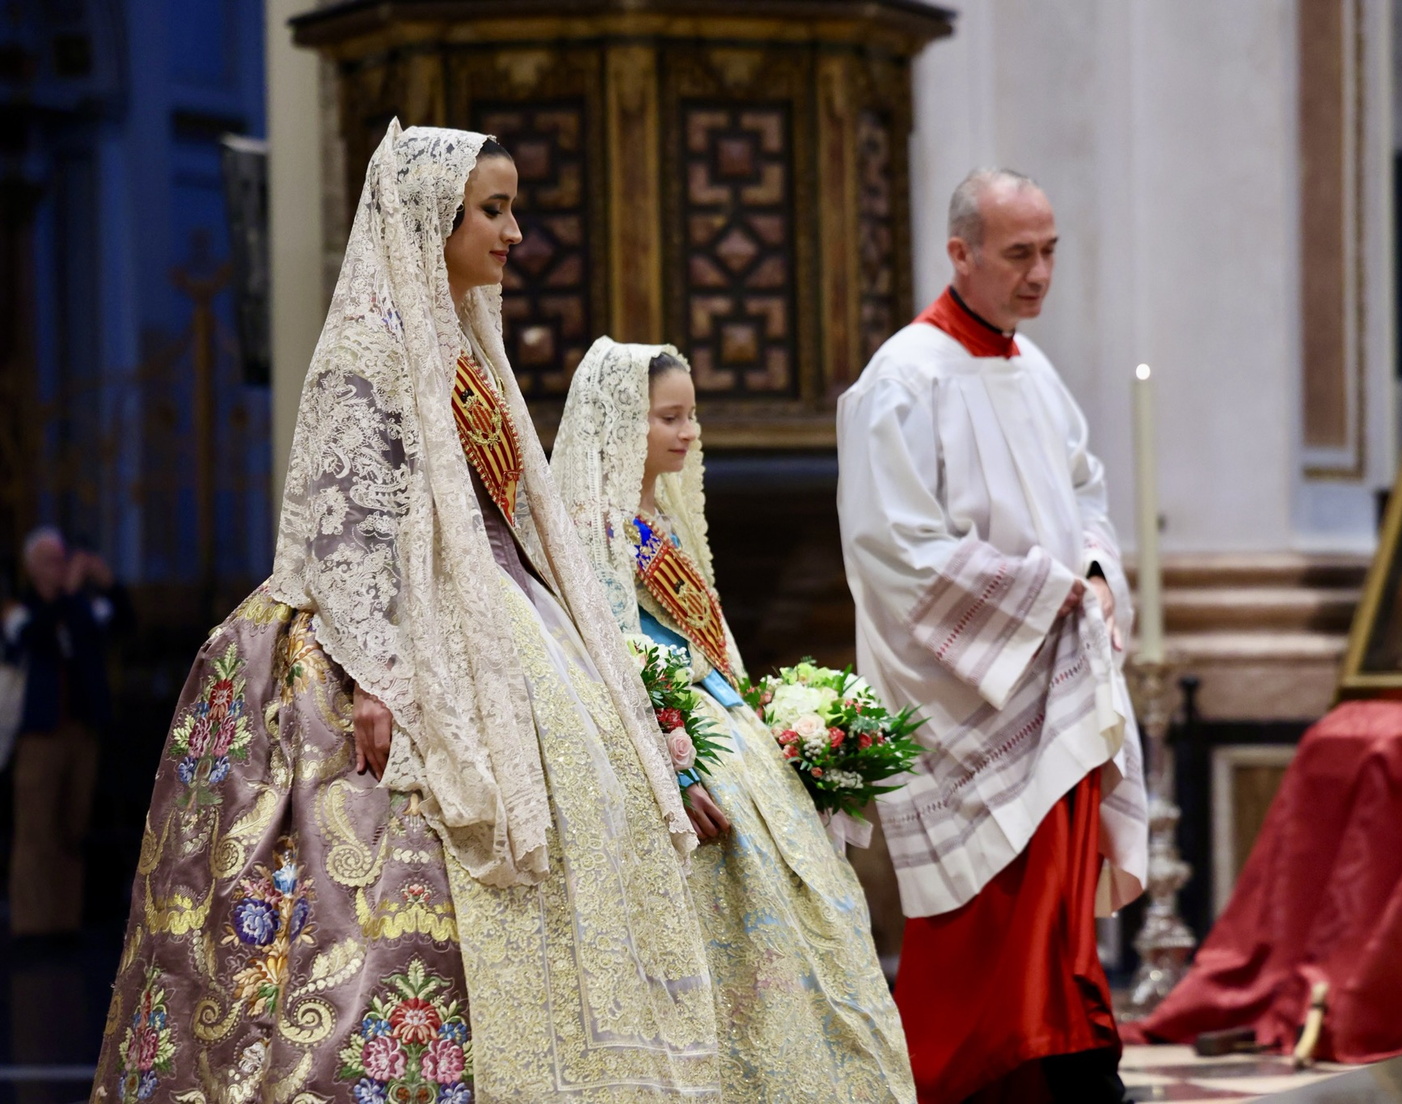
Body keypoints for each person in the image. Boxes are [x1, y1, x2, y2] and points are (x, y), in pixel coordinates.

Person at [90, 122, 718, 1103]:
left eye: (513, 209)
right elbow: (344, 523)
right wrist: (376, 676)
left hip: (498, 611)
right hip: (381, 636)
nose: (515, 233)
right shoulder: (369, 352)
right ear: (433, 219)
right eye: (494, 211)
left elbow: (511, 513)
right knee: (376, 880)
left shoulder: (468, 350)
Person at [836, 168, 1148, 1104]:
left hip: (1055, 673)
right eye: (1019, 254)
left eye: (1049, 251)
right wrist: (1042, 596)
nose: (1040, 273)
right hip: (972, 693)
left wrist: (1096, 572)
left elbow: (1086, 492)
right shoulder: (903, 378)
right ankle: (984, 1081)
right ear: (960, 253)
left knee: (1057, 902)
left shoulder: (1033, 371)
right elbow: (894, 550)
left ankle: (1068, 1066)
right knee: (993, 916)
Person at [550, 337, 917, 1103]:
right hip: (673, 742)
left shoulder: (662, 519)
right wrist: (673, 762)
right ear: (622, 423)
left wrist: (784, 726)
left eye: (692, 416)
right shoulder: (595, 527)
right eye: (669, 418)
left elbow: (706, 645)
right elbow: (610, 650)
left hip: (723, 722)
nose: (688, 433)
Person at [2, 527, 127, 937]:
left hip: (81, 729)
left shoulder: (80, 605)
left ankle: (64, 920)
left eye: (62, 559)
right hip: (38, 731)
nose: (60, 567)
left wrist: (106, 581)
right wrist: (68, 594)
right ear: (32, 567)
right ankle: (32, 923)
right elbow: (34, 636)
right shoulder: (18, 608)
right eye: (51, 561)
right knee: (35, 829)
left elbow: (122, 622)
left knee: (73, 826)